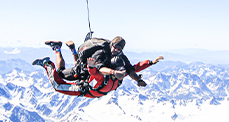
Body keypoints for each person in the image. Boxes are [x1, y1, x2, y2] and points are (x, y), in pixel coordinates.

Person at [32, 36, 163, 98]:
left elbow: (133, 69)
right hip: (85, 79)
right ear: (111, 44)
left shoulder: (120, 63)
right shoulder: (101, 55)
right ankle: (48, 62)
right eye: (115, 47)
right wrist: (109, 71)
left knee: (76, 71)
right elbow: (96, 71)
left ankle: (66, 49)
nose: (116, 50)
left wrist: (150, 63)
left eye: (119, 48)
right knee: (58, 82)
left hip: (89, 77)